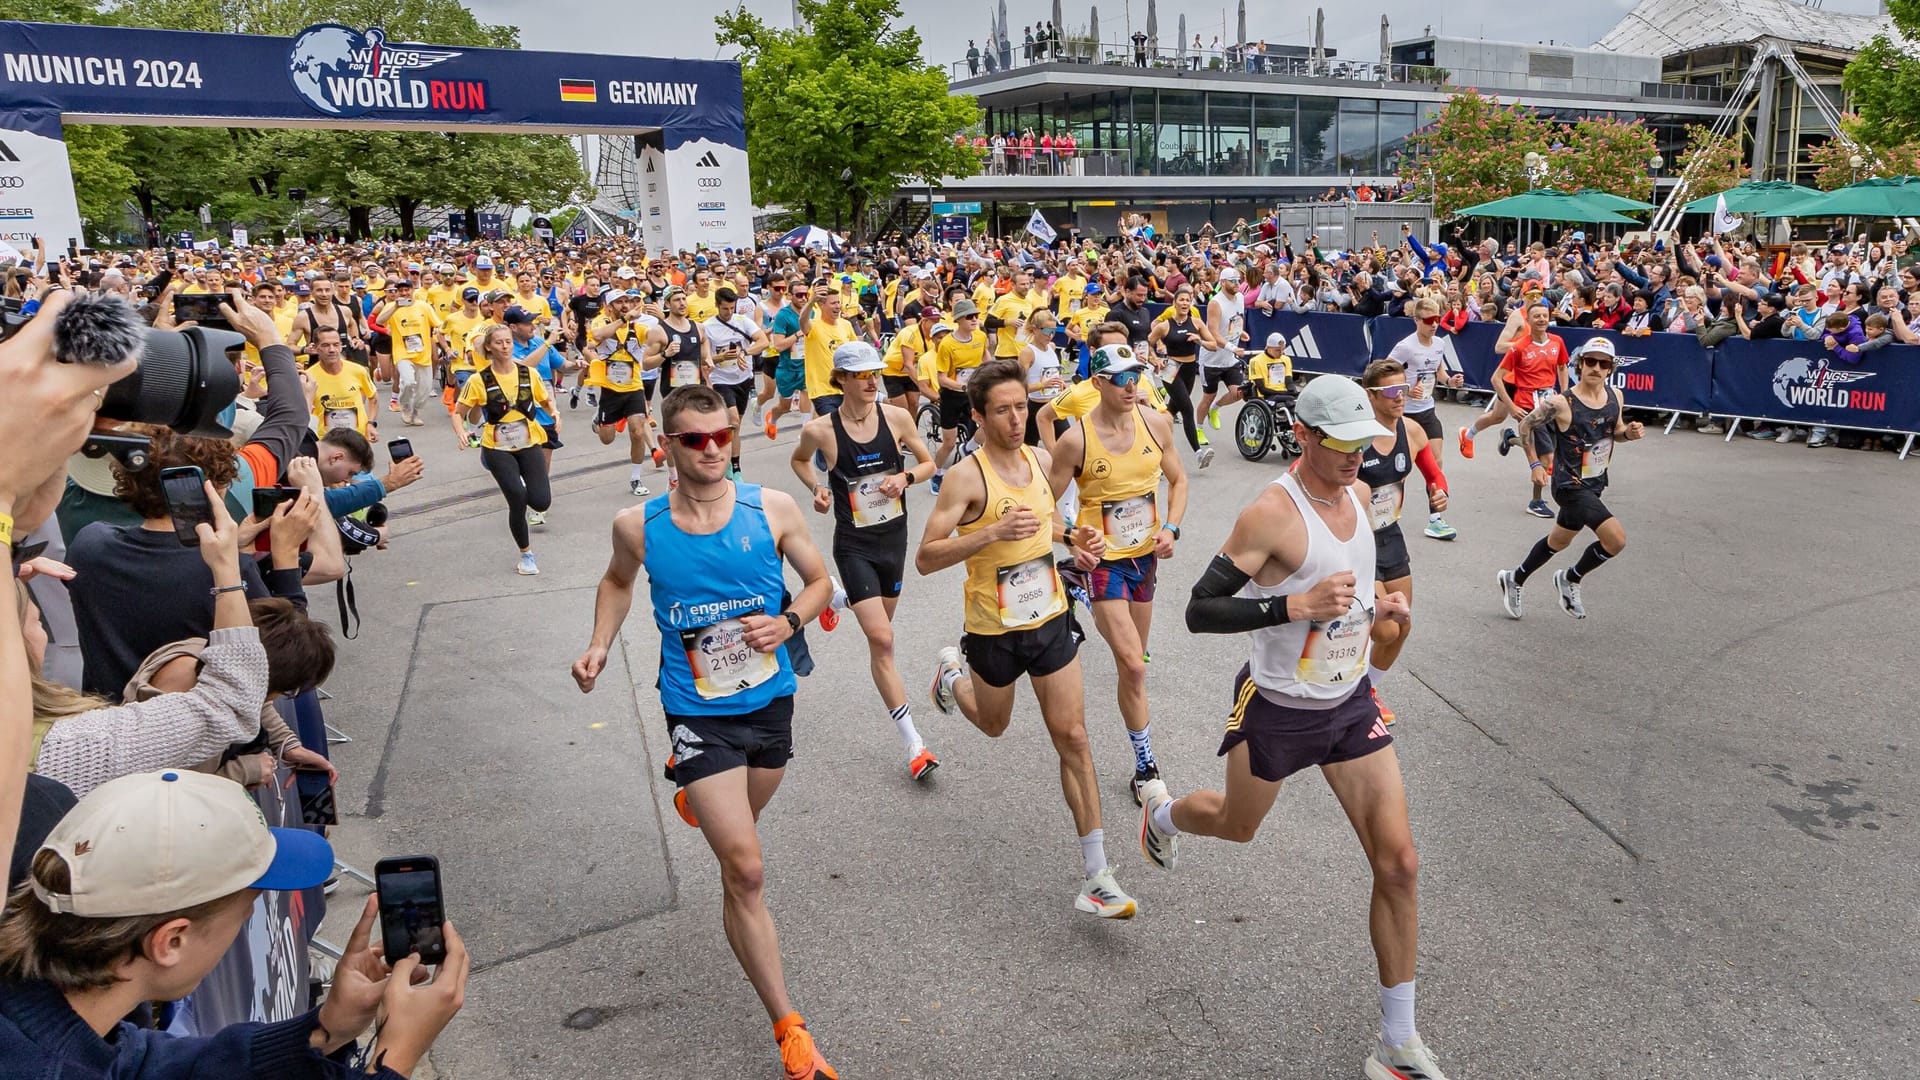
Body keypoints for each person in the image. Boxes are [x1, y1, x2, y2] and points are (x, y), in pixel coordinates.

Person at [1137, 375, 1441, 1080]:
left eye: (1362, 446)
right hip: (1277, 708)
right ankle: (1165, 817)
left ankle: (1397, 1041)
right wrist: (1292, 606)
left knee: (1399, 863)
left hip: (1350, 705)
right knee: (1237, 825)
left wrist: (1383, 611)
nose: (1353, 460)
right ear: (1301, 435)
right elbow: (1199, 610)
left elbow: (1359, 588)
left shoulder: (1362, 496)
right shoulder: (1272, 514)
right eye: (1339, 447)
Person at [572, 385, 839, 1080]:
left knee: (736, 842)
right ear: (669, 443)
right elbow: (617, 582)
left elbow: (819, 581)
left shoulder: (771, 508)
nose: (713, 448)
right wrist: (600, 643)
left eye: (722, 435)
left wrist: (790, 622)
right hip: (696, 710)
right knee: (745, 868)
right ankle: (790, 1026)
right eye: (695, 439)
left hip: (769, 700)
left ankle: (702, 799)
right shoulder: (639, 525)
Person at [0, 769, 469, 1079]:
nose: (248, 918)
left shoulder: (46, 1010)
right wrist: (397, 1054)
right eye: (246, 908)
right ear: (172, 941)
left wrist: (325, 1029)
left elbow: (141, 1064)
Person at [916, 357, 1137, 920]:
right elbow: (925, 557)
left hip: (1050, 619)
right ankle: (952, 676)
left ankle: (1098, 876)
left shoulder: (1041, 460)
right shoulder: (967, 477)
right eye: (1003, 410)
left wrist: (1073, 538)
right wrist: (989, 531)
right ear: (979, 416)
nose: (1017, 419)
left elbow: (1044, 523)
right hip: (993, 628)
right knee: (994, 725)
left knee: (1075, 738)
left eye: (1022, 407)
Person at [1043, 344, 1187, 805]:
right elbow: (1042, 509)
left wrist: (1171, 527)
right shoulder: (1076, 441)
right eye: (1121, 377)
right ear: (1098, 383)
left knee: (1136, 662)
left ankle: (1078, 594)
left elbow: (1178, 481)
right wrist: (1072, 539)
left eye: (1136, 375)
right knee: (1131, 664)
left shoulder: (1157, 422)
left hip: (1143, 558)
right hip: (1103, 562)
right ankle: (1146, 767)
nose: (1131, 385)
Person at [790, 342, 941, 780]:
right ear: (841, 380)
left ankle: (837, 599)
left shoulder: (896, 418)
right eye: (861, 375)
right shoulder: (821, 430)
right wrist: (816, 488)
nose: (872, 381)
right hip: (853, 545)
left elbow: (930, 464)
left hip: (893, 541)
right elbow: (799, 461)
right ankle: (915, 744)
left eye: (874, 373)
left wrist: (905, 476)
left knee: (879, 624)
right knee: (882, 639)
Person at [1498, 337, 1643, 621]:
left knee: (1559, 540)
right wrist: (1535, 463)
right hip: (1569, 485)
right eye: (1590, 361)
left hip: (1595, 482)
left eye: (1603, 363)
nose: (1596, 368)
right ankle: (1571, 578)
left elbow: (1617, 433)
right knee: (1616, 540)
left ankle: (1514, 577)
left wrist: (1630, 434)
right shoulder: (1561, 403)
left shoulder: (1616, 397)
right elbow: (1525, 425)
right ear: (1580, 364)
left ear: (1611, 368)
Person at [1354, 359, 1449, 727]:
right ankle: (1346, 685)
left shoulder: (1411, 431)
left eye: (1403, 388)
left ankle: (1368, 690)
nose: (1401, 397)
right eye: (1392, 391)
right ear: (1371, 396)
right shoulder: (1357, 436)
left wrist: (1439, 492)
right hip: (1358, 540)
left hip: (1390, 535)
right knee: (1384, 627)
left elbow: (1434, 473)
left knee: (1404, 624)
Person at [458, 324, 556, 575]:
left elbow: (546, 400)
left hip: (529, 441)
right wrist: (462, 431)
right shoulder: (478, 380)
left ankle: (526, 484)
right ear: (489, 347)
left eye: (508, 342)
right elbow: (458, 413)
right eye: (499, 342)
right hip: (497, 447)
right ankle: (526, 554)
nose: (505, 346)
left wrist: (555, 412)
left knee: (541, 501)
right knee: (517, 498)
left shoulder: (528, 374)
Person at [1462, 301, 1567, 517]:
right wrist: (1512, 406)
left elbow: (1563, 366)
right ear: (1527, 321)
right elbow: (1496, 378)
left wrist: (1564, 395)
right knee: (1545, 461)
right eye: (1536, 316)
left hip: (1551, 405)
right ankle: (1536, 501)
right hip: (1528, 406)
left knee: (1548, 453)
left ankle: (1510, 438)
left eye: (1545, 315)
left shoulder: (1557, 341)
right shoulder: (1519, 347)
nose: (1541, 319)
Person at [1385, 297, 1464, 540]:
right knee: (1402, 470)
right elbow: (1382, 376)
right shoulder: (1405, 347)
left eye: (1438, 320)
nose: (1435, 325)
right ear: (1417, 321)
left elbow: (1439, 372)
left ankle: (1435, 520)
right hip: (1405, 415)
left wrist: (1449, 381)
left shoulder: (1439, 343)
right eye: (1429, 320)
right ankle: (1387, 518)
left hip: (1427, 411)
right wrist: (1407, 390)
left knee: (1436, 464)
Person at [587, 288, 663, 496]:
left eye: (627, 301)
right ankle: (598, 422)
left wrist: (662, 321)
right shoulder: (600, 322)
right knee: (607, 438)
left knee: (638, 432)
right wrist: (623, 320)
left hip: (634, 387)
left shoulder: (637, 326)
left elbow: (656, 336)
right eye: (619, 302)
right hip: (610, 390)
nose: (624, 305)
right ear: (609, 307)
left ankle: (636, 478)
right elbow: (597, 336)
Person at [702, 287, 770, 479]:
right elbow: (704, 359)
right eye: (725, 308)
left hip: (743, 378)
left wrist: (745, 352)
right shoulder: (707, 327)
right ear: (717, 306)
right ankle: (728, 468)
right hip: (721, 380)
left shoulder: (742, 321)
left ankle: (735, 466)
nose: (729, 312)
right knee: (733, 420)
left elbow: (763, 341)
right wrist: (721, 357)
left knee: (735, 427)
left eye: (732, 308)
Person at [929, 300, 987, 491]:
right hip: (952, 395)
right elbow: (942, 379)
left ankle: (969, 448)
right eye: (970, 316)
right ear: (959, 319)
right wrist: (963, 387)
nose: (974, 319)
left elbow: (986, 359)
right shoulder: (947, 344)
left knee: (988, 424)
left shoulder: (980, 336)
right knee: (949, 442)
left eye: (976, 316)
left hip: (973, 391)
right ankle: (935, 472)